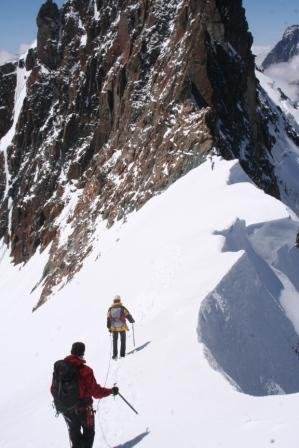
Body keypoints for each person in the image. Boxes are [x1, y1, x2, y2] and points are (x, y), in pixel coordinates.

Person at [51, 342, 118, 448]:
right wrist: (111, 391)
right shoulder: (86, 371)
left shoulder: (60, 369)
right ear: (82, 353)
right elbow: (96, 392)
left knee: (74, 434)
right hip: (84, 409)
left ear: (72, 351)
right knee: (89, 433)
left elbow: (53, 389)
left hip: (66, 409)